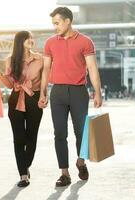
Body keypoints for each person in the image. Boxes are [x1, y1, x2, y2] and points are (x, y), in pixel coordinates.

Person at [38, 7, 102, 187]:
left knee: (81, 132)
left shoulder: (85, 42)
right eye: (53, 24)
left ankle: (81, 162)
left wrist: (98, 92)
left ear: (68, 21)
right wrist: (43, 92)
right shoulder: (50, 42)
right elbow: (46, 69)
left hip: (78, 92)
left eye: (57, 23)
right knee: (59, 133)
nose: (55, 27)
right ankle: (64, 173)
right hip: (57, 92)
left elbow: (92, 69)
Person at [0, 31, 43, 187]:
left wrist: (44, 96)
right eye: (27, 38)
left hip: (34, 98)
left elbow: (45, 80)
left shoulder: (40, 59)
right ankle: (23, 174)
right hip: (16, 99)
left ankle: (25, 164)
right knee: (19, 139)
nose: (31, 40)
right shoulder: (11, 60)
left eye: (32, 38)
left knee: (31, 137)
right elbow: (10, 84)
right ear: (20, 41)